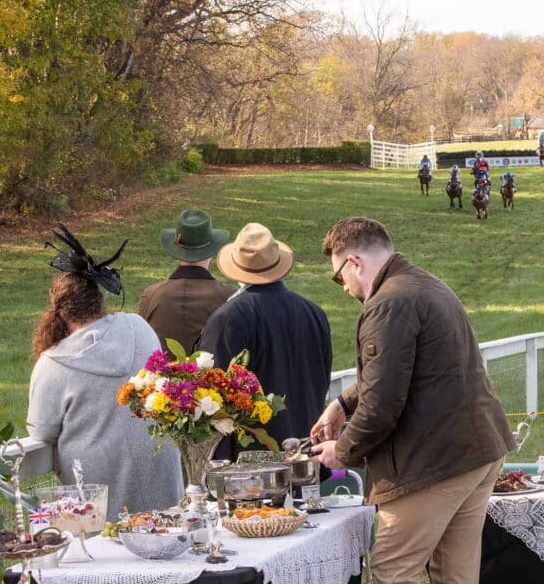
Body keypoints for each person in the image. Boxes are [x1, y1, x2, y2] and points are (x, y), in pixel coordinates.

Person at [311, 218, 514, 584]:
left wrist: (341, 451)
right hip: (479, 450)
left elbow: (383, 405)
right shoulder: (426, 283)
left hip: (436, 460)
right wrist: (340, 402)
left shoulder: (387, 302)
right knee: (456, 577)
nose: (345, 288)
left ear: (354, 262)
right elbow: (396, 372)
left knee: (394, 571)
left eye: (340, 277)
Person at [28, 225, 183, 517]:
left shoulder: (52, 364)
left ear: (59, 309)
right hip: (161, 472)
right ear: (99, 298)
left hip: (99, 491)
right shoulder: (139, 327)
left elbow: (40, 430)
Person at [197, 223, 332, 446]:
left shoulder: (229, 318)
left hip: (253, 461)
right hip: (307, 448)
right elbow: (321, 381)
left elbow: (212, 398)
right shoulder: (313, 312)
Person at [138, 209, 233, 356]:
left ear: (176, 249)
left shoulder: (151, 295)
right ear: (212, 251)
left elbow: (143, 344)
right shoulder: (229, 297)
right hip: (214, 378)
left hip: (161, 378)